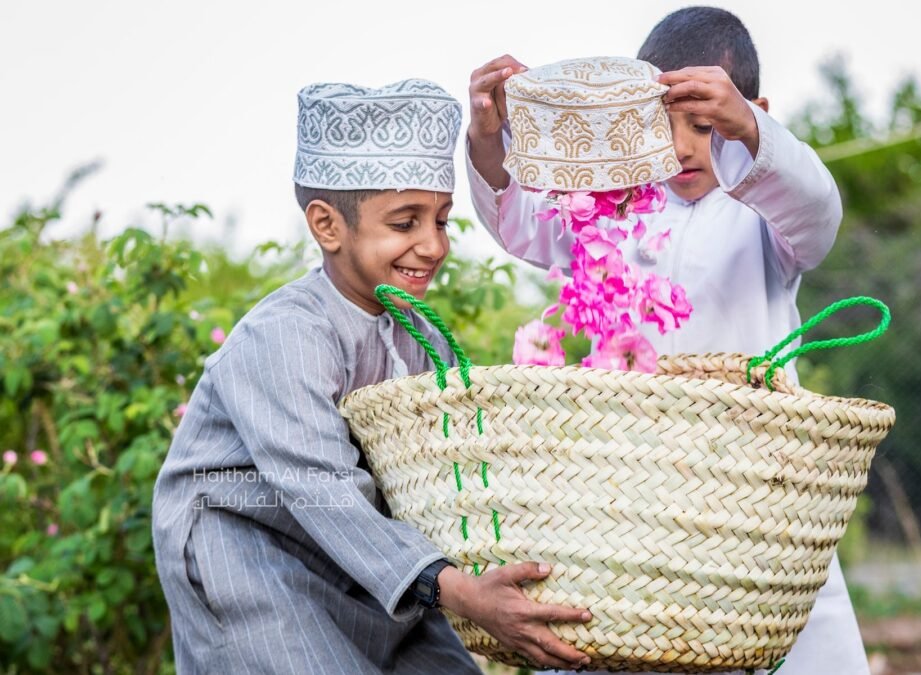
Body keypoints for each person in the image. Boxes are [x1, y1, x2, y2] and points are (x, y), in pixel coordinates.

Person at [466, 7, 869, 674]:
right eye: (660, 122)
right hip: (628, 498)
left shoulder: (766, 216)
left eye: (706, 125)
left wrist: (752, 131)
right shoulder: (607, 204)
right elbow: (521, 224)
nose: (682, 147)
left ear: (753, 113)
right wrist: (487, 139)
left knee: (772, 639)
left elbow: (819, 211)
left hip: (755, 499)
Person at [152, 79, 592, 674]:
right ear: (328, 226)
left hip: (371, 565)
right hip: (252, 552)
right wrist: (462, 591)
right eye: (405, 223)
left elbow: (444, 472)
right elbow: (321, 488)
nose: (433, 245)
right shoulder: (284, 334)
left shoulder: (420, 336)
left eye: (440, 219)